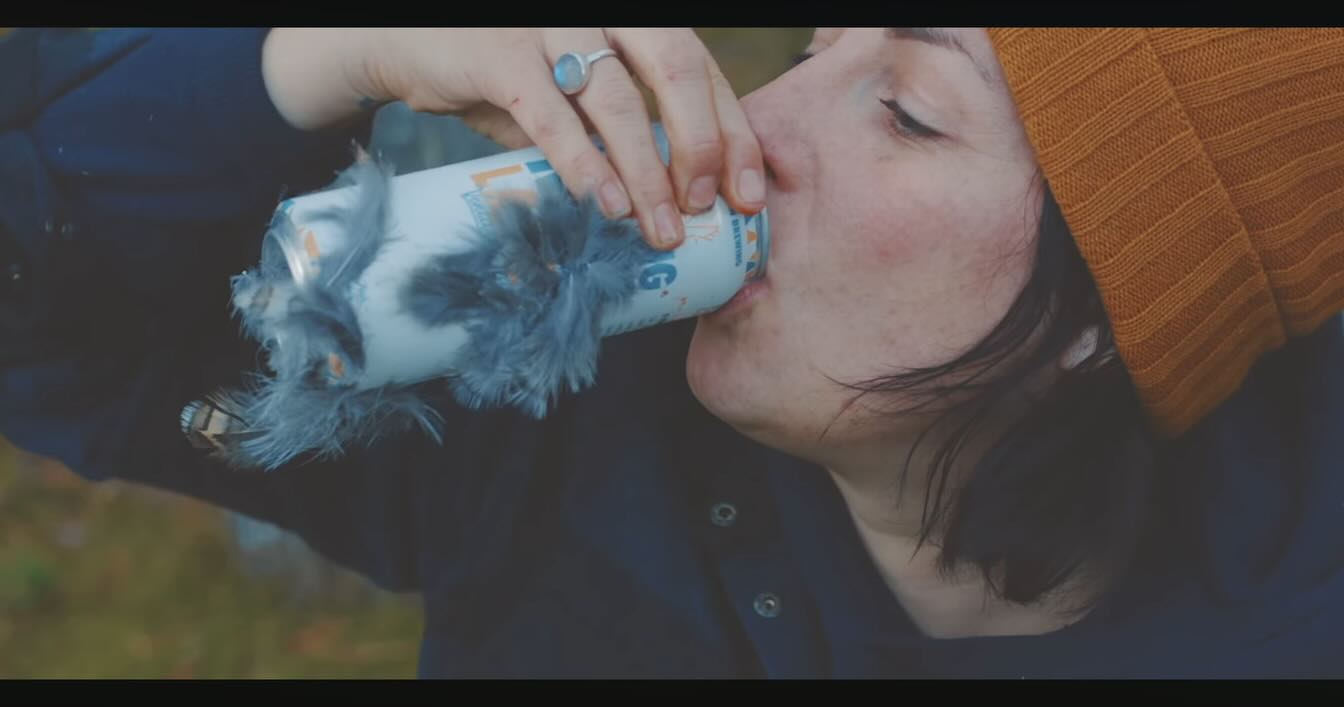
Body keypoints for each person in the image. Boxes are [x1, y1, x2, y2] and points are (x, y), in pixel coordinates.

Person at [1, 26, 1341, 678]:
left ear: (1109, 321)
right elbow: (48, 332)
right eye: (817, 46)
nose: (755, 127)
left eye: (910, 117)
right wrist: (309, 56)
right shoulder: (564, 406)